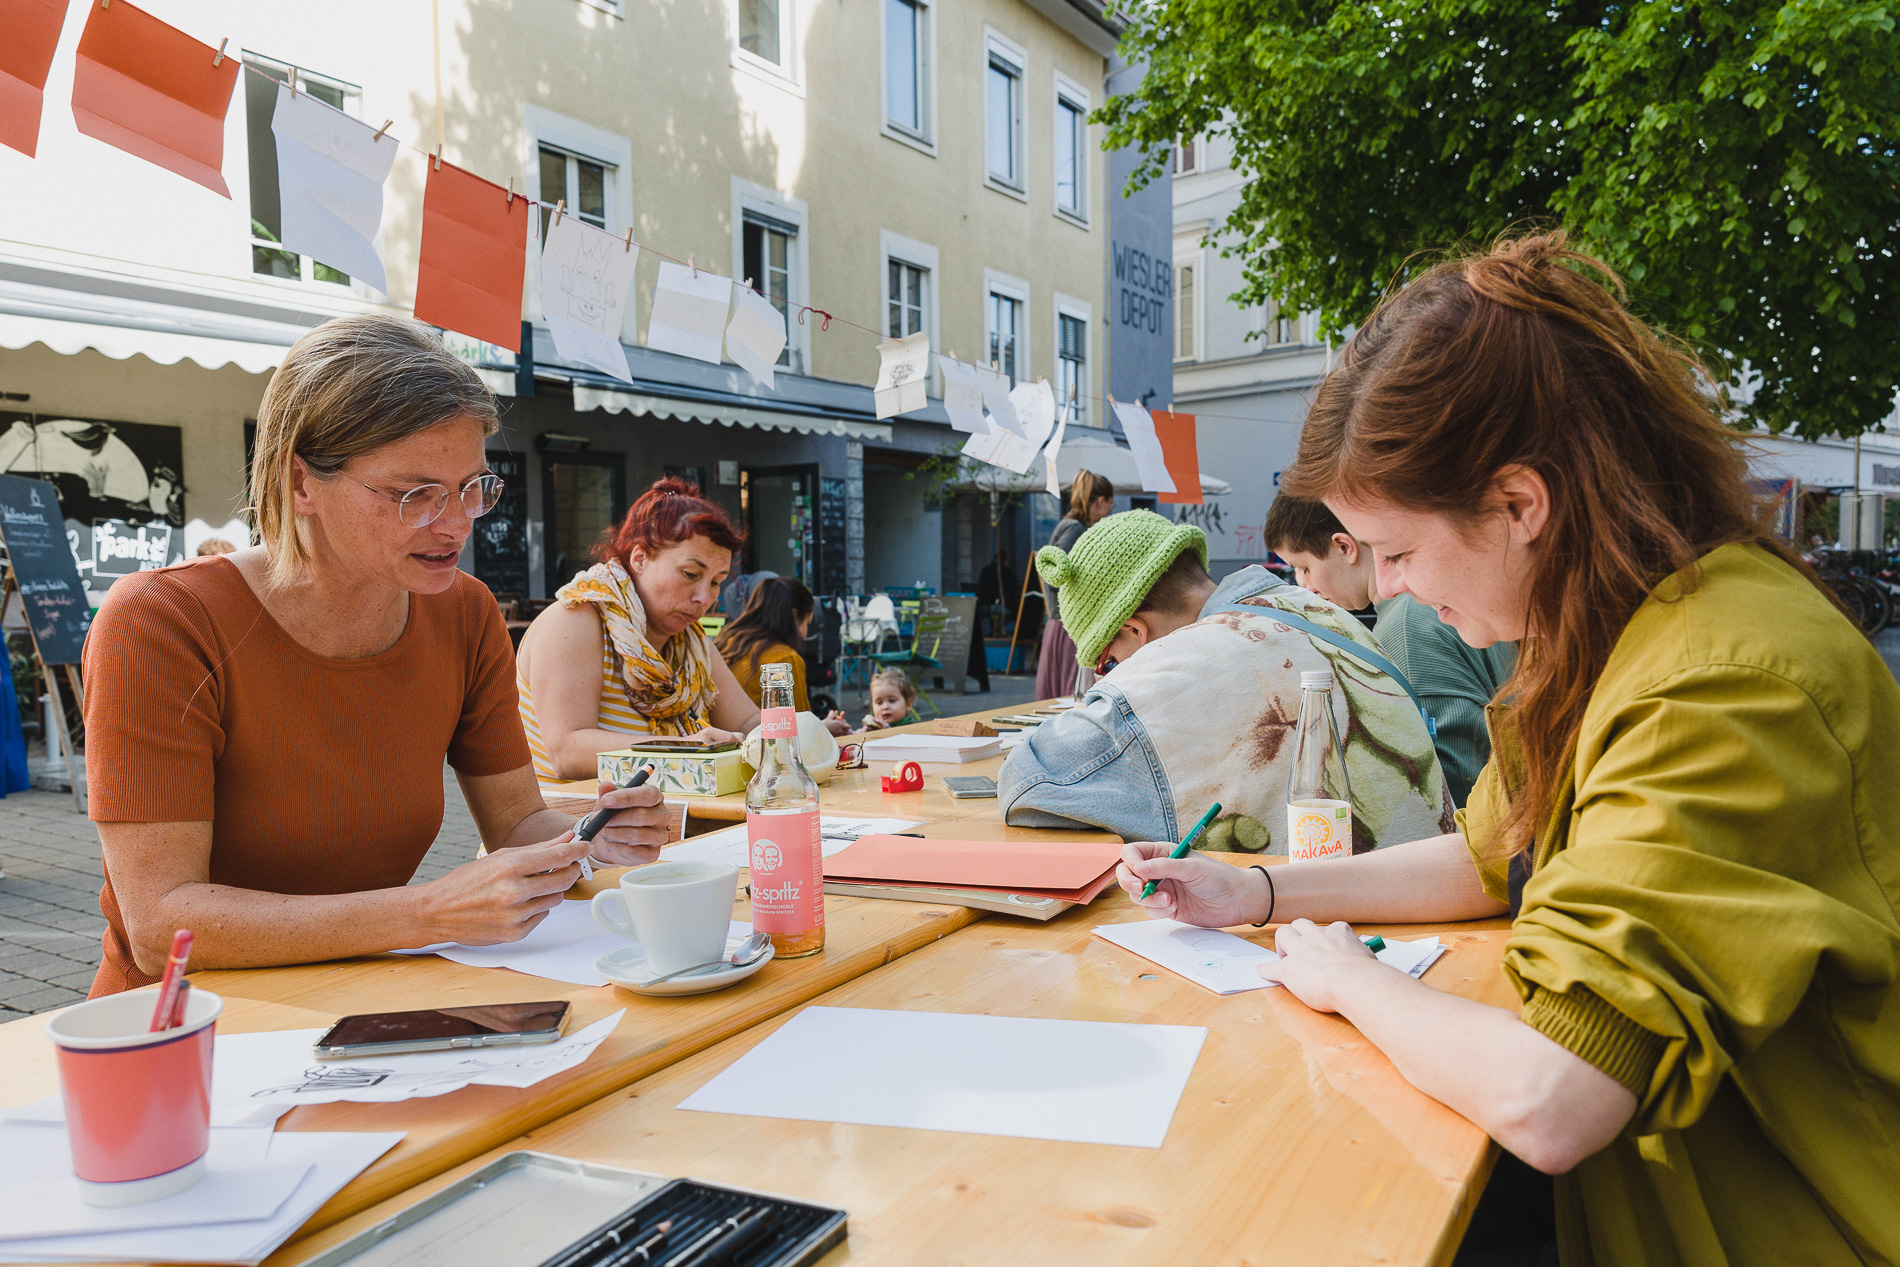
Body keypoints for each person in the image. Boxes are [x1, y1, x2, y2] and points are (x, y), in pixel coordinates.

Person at [1116, 234, 1900, 1265]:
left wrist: (1351, 977)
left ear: (1520, 504)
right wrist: (1256, 893)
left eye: (1398, 549)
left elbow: (1551, 1093)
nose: (1385, 587)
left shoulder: (1720, 683)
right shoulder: (1617, 630)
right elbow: (1495, 855)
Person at [80, 315, 669, 995]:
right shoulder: (163, 622)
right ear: (300, 482)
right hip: (184, 1027)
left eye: (472, 487)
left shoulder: (465, 613)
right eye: (414, 494)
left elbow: (516, 823)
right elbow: (160, 926)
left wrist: (590, 837)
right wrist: (424, 913)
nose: (456, 524)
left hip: (362, 999)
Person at [1000, 509, 1452, 850]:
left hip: (1341, 923)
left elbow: (1024, 782)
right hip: (1435, 897)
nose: (1112, 674)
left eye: (1108, 663)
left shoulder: (1173, 669)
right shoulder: (1327, 613)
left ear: (1136, 631)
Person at [1265, 493, 1516, 807]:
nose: (1304, 585)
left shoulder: (1405, 628)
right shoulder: (1429, 611)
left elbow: (1449, 778)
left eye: (1304, 567)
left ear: (1344, 547)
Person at [517, 477, 762, 781]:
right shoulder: (576, 619)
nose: (704, 597)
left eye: (716, 581)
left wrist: (794, 731)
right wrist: (682, 748)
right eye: (690, 574)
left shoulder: (690, 643)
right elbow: (567, 751)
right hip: (573, 811)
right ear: (640, 559)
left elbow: (748, 722)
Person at [714, 576, 851, 735]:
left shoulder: (727, 640)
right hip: (758, 743)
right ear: (795, 615)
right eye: (807, 622)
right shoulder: (784, 659)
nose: (806, 631)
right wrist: (825, 729)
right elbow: (797, 731)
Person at [1035, 470, 1115, 698]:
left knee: (1063, 697)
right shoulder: (1075, 529)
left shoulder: (1071, 525)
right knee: (1071, 696)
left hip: (1063, 624)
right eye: (1110, 505)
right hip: (1067, 626)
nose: (1109, 511)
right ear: (1100, 501)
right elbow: (1052, 573)